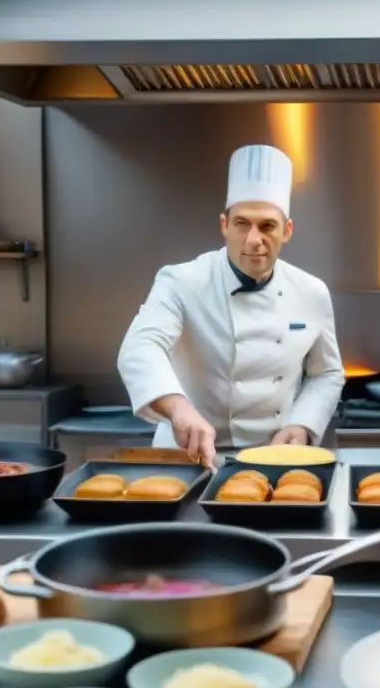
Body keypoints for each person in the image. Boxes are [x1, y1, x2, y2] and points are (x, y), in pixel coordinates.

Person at [118, 144, 344, 465]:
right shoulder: (182, 281)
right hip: (185, 453)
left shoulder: (312, 292)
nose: (254, 239)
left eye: (267, 225)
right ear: (224, 225)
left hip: (273, 456)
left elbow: (327, 373)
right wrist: (179, 409)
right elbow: (140, 347)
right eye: (242, 224)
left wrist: (302, 424)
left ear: (287, 231)